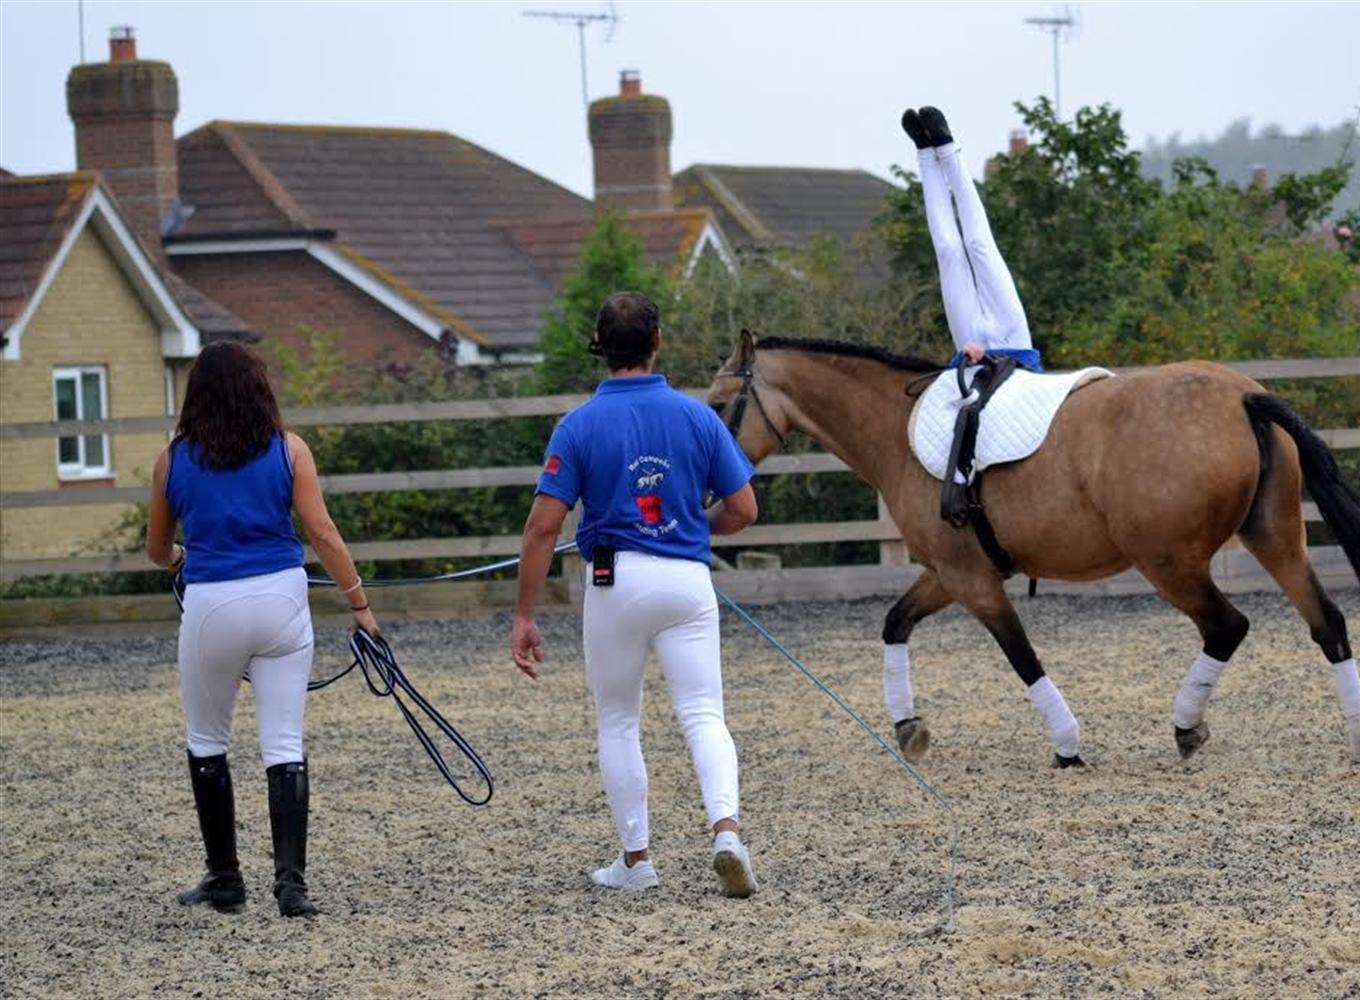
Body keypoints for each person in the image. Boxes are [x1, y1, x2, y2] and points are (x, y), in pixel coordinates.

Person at [511, 291, 761, 897]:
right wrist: (698, 529)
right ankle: (726, 830)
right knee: (704, 713)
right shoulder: (697, 417)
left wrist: (524, 615)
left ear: (601, 348)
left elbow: (544, 526)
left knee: (619, 720)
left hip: (614, 582)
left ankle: (637, 859)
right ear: (658, 342)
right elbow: (744, 510)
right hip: (686, 581)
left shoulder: (577, 425)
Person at [145, 341, 379, 918]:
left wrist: (181, 554)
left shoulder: (172, 459)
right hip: (281, 599)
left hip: (210, 605)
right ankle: (292, 888)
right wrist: (359, 605)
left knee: (207, 741)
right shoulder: (289, 450)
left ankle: (225, 878)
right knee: (284, 743)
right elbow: (322, 533)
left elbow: (155, 550)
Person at [901, 106, 1043, 371]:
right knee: (980, 246)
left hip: (972, 349)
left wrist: (964, 360)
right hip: (1015, 341)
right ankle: (945, 146)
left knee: (947, 251)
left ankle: (924, 152)